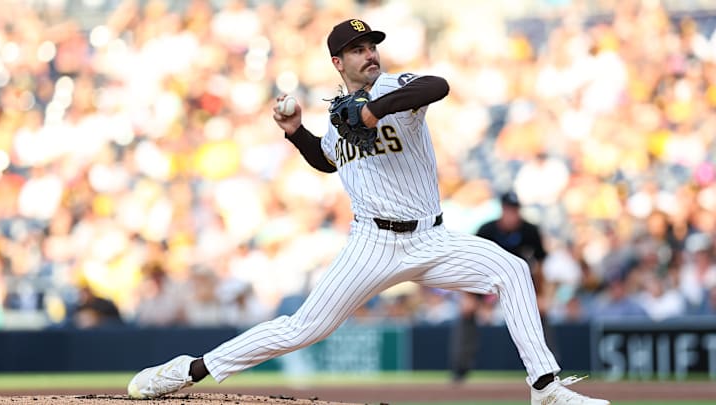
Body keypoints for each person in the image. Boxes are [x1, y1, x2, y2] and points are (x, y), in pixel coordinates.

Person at [127, 19, 609, 405]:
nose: (370, 54)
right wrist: (296, 130)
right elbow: (326, 158)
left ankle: (545, 388)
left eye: (372, 45)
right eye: (358, 50)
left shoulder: (396, 86)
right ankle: (186, 371)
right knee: (301, 329)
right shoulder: (339, 118)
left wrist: (375, 112)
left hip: (433, 239)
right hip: (373, 244)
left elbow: (436, 86)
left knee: (513, 269)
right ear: (338, 62)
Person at [450, 190, 555, 382]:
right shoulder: (487, 230)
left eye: (514, 210)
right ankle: (460, 369)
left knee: (542, 312)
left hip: (520, 288)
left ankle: (548, 370)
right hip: (488, 286)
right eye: (508, 210)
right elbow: (472, 265)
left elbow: (539, 267)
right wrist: (470, 297)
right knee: (466, 311)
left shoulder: (529, 231)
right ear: (502, 210)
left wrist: (541, 295)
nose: (511, 214)